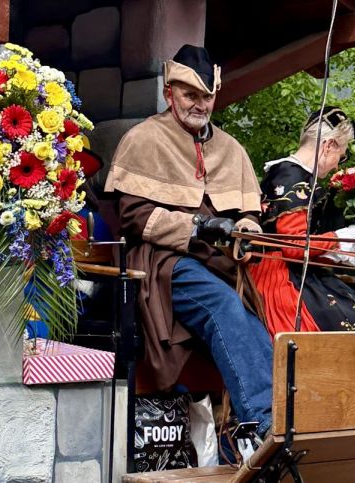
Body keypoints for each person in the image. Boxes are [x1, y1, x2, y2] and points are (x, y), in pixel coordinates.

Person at [104, 45, 272, 436]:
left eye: (207, 96)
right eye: (190, 95)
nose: (200, 104)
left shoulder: (232, 148)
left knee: (261, 321)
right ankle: (263, 424)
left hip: (222, 265)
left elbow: (249, 213)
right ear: (169, 94)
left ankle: (278, 423)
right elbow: (133, 217)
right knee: (224, 306)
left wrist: (247, 228)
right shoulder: (144, 138)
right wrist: (197, 227)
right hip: (163, 263)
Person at [247, 107, 355, 335]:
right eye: (340, 156)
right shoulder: (293, 177)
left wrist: (340, 249)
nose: (336, 165)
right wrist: (341, 238)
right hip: (280, 278)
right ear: (328, 145)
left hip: (293, 271)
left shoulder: (290, 173)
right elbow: (293, 247)